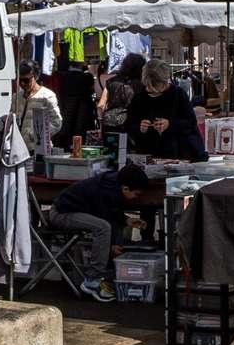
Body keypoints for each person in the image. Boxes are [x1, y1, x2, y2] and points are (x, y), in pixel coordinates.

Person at [44, 162, 149, 301]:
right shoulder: (105, 192)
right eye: (136, 194)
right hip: (62, 213)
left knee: (105, 226)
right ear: (125, 188)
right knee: (103, 227)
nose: (137, 197)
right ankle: (92, 279)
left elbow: (111, 213)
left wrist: (126, 221)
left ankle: (98, 277)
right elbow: (105, 218)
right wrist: (111, 245)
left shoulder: (113, 184)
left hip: (72, 210)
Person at [124, 59, 207, 161]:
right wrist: (140, 128)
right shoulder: (139, 98)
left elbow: (190, 123)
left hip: (178, 155)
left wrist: (170, 124)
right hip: (149, 155)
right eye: (149, 88)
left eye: (156, 87)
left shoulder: (178, 94)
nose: (153, 91)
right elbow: (129, 125)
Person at [12, 61, 61, 156]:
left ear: (35, 77)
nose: (22, 83)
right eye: (20, 80)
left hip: (39, 149)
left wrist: (35, 135)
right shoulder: (16, 97)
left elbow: (57, 122)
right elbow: (12, 119)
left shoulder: (47, 96)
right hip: (18, 148)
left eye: (26, 80)